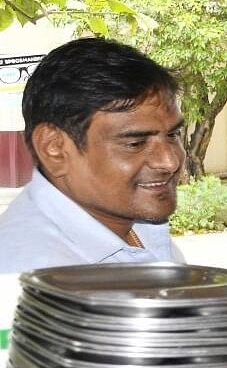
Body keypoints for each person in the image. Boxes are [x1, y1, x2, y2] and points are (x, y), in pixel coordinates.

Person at [0, 38, 187, 273]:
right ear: (54, 148)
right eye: (135, 143)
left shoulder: (133, 222)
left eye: (173, 134)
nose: (170, 161)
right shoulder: (37, 277)